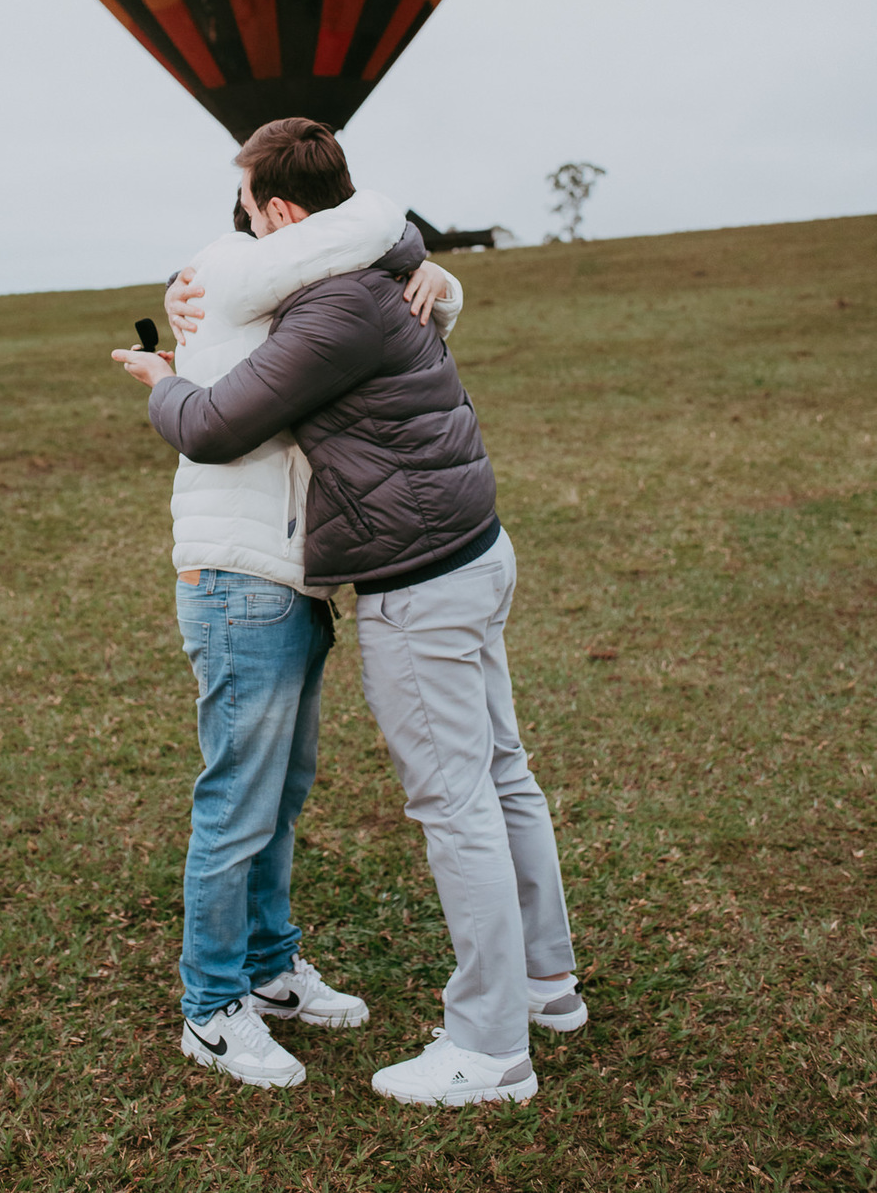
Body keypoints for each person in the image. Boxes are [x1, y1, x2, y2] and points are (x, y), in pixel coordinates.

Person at [117, 118, 585, 1107]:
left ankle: (492, 1044)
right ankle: (537, 987)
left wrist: (160, 376)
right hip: (384, 558)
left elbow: (209, 418)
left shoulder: (326, 303)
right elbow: (244, 284)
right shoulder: (369, 265)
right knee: (472, 780)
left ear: (282, 212)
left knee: (448, 798)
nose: (237, 226)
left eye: (246, 206)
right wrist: (435, 275)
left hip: (412, 575)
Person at [113, 168, 461, 1090]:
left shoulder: (292, 282)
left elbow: (379, 289)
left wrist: (438, 279)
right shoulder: (229, 268)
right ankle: (211, 1006)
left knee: (278, 795)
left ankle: (268, 972)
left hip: (288, 575)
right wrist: (414, 257)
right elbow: (367, 242)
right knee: (237, 802)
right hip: (240, 578)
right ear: (277, 220)